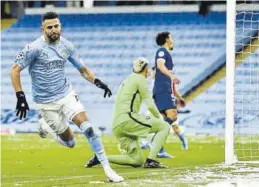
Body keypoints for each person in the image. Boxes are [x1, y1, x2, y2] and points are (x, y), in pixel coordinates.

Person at [10, 11, 124, 183]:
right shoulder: (33, 48)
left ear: (60, 26)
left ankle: (108, 169)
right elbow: (15, 70)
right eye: (50, 27)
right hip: (46, 102)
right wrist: (20, 96)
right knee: (71, 143)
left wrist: (97, 81)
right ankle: (46, 126)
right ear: (43, 30)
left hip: (67, 95)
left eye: (56, 26)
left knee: (88, 128)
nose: (54, 30)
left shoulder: (66, 46)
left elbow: (83, 70)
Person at [85, 57, 171, 168]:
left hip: (117, 125)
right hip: (128, 119)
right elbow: (150, 105)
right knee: (165, 126)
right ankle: (151, 160)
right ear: (145, 69)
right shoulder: (141, 80)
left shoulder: (127, 80)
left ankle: (100, 158)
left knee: (137, 160)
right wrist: (160, 119)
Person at [152, 32, 188, 157]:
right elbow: (160, 66)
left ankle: (159, 149)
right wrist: (172, 76)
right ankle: (154, 141)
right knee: (172, 116)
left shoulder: (168, 55)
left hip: (165, 90)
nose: (173, 40)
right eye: (171, 38)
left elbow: (168, 79)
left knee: (164, 121)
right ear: (167, 40)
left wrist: (179, 97)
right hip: (162, 90)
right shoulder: (162, 51)